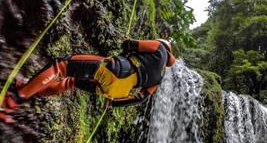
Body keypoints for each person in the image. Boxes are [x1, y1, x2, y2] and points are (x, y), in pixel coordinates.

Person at [0, 39, 176, 122]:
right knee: (71, 82)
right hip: (116, 91)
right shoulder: (159, 79)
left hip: (116, 70)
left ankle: (16, 97)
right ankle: (32, 91)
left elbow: (131, 44)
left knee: (60, 66)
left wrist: (127, 45)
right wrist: (114, 104)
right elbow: (142, 98)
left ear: (163, 45)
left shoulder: (159, 47)